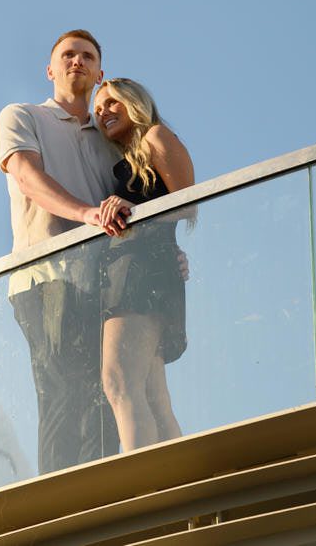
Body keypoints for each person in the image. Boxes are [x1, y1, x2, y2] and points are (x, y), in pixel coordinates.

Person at [0, 29, 132, 471]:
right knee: (61, 394)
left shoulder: (112, 139)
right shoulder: (22, 116)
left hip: (107, 286)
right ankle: (62, 512)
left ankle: (104, 508)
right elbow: (28, 179)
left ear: (100, 73)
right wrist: (87, 213)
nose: (78, 61)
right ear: (50, 69)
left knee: (108, 398)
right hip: (46, 278)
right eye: (68, 55)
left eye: (87, 56)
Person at [93, 77, 194, 452]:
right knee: (152, 395)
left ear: (134, 102)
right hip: (142, 270)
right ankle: (175, 491)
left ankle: (143, 491)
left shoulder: (156, 136)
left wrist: (134, 212)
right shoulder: (131, 157)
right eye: (98, 108)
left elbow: (189, 202)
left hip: (143, 273)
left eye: (112, 103)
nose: (103, 112)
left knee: (119, 382)